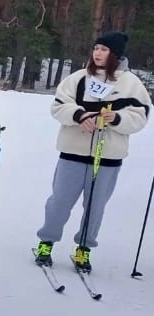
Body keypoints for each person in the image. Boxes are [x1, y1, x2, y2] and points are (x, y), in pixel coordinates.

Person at [34, 31, 150, 272]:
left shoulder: (130, 83)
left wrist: (116, 117)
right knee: (59, 202)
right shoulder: (78, 78)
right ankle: (46, 242)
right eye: (96, 48)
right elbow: (58, 106)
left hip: (107, 158)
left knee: (95, 207)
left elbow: (140, 116)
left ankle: (84, 249)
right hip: (73, 153)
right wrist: (79, 115)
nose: (97, 53)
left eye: (104, 49)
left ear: (115, 54)